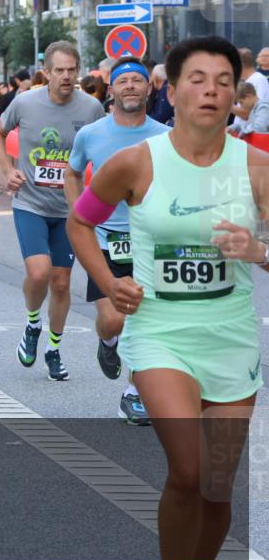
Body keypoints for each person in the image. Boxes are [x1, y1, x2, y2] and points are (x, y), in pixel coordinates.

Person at [67, 35, 267, 560]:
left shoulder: (256, 167)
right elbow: (81, 222)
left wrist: (259, 251)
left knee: (218, 484)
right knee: (188, 468)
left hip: (230, 337)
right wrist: (109, 282)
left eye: (224, 82)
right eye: (198, 80)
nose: (211, 90)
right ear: (171, 91)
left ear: (235, 98)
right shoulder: (134, 163)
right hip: (161, 333)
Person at [0, 40, 105, 380]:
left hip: (70, 210)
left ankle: (54, 348)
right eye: (60, 70)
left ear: (78, 71)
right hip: (30, 203)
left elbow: (102, 151)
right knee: (39, 273)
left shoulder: (91, 109)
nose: (66, 77)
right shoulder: (25, 103)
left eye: (72, 70)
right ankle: (31, 324)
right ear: (47, 72)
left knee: (60, 283)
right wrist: (7, 171)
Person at [65, 57, 171, 425]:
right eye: (123, 81)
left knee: (146, 321)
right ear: (111, 90)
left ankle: (134, 393)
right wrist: (79, 212)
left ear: (149, 88)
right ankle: (107, 343)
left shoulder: (164, 136)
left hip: (150, 243)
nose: (130, 86)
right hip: (105, 241)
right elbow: (72, 171)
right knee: (114, 322)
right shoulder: (91, 134)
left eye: (137, 81)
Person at [231, 48, 269, 131]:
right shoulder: (247, 81)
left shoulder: (259, 80)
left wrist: (227, 106)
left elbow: (251, 113)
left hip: (253, 138)